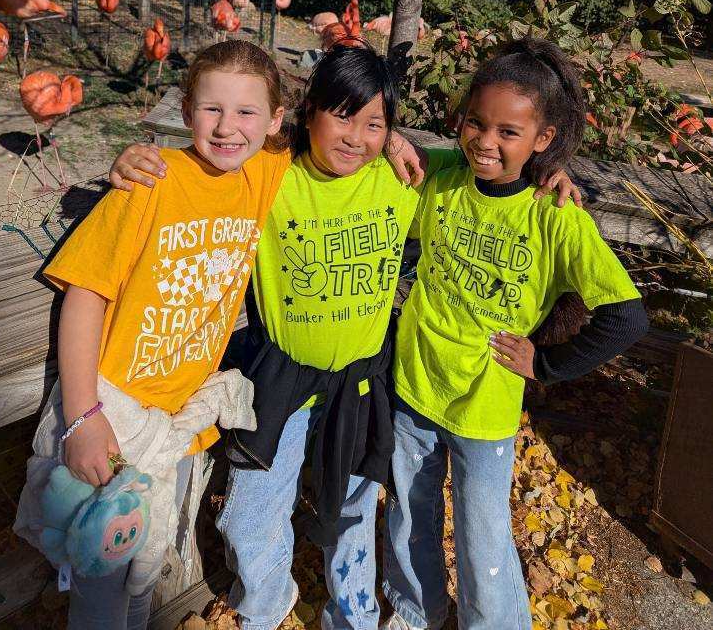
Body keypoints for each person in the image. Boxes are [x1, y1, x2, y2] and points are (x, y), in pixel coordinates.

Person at [109, 43, 580, 630]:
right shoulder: (271, 175)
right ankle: (265, 606)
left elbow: (488, 169)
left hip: (361, 378)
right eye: (341, 115)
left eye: (374, 123)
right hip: (282, 377)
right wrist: (142, 158)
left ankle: (350, 615)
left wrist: (545, 171)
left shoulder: (403, 177)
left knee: (354, 509)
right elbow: (217, 157)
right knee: (252, 511)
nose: (355, 136)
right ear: (307, 114)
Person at [15, 40, 291, 630]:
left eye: (246, 112)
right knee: (102, 572)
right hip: (114, 409)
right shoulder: (151, 182)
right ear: (187, 111)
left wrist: (391, 136)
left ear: (274, 122)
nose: (227, 127)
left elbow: (337, 132)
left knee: (145, 567)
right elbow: (86, 292)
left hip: (179, 415)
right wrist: (84, 417)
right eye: (212, 109)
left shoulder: (265, 172)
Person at [382, 37, 649, 630]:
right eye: (476, 123)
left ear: (543, 139)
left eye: (508, 132)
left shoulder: (555, 216)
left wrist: (547, 366)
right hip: (415, 386)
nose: (485, 141)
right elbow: (372, 145)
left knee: (483, 539)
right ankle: (414, 610)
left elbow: (628, 316)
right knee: (408, 513)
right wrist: (394, 137)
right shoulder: (442, 176)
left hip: (486, 406)